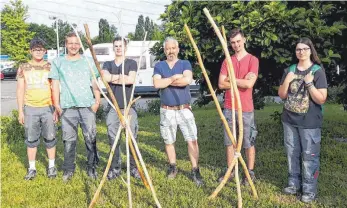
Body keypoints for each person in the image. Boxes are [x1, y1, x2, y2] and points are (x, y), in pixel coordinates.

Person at [278, 37, 327, 203]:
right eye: (298, 49)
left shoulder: (317, 71)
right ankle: (293, 184)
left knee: (309, 156)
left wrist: (309, 84)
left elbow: (321, 99)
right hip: (289, 119)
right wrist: (287, 80)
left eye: (305, 49)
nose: (301, 52)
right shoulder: (290, 70)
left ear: (310, 51)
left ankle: (309, 190)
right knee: (292, 153)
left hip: (310, 123)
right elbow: (282, 95)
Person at [49, 32, 101, 181]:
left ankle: (91, 167)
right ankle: (68, 169)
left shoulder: (89, 61)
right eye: (70, 43)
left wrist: (97, 101)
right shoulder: (58, 62)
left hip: (87, 107)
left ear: (80, 45)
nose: (73, 46)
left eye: (76, 43)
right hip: (67, 107)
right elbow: (55, 84)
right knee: (68, 139)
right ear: (66, 44)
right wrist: (57, 104)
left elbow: (95, 82)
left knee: (90, 137)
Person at [152, 37, 203, 186]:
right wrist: (174, 77)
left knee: (192, 139)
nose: (170, 51)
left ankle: (195, 170)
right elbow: (156, 83)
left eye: (173, 48)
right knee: (169, 140)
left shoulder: (184, 63)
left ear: (178, 49)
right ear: (164, 50)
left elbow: (187, 80)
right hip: (166, 110)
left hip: (184, 109)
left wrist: (166, 81)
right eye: (168, 49)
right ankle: (173, 167)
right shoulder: (159, 66)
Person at [218, 28, 259, 184]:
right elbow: (221, 84)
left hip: (246, 108)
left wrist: (231, 79)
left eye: (238, 41)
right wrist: (238, 80)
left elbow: (249, 83)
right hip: (229, 106)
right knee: (229, 141)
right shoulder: (227, 60)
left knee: (248, 141)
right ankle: (231, 170)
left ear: (244, 40)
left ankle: (250, 172)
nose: (236, 45)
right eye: (233, 43)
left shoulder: (252, 60)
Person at [16, 38, 58, 180]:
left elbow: (55, 88)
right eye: (36, 49)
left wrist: (56, 108)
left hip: (47, 108)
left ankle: (51, 166)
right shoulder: (23, 67)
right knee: (31, 139)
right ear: (31, 51)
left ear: (45, 51)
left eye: (41, 49)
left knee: (50, 137)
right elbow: (20, 90)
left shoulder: (51, 66)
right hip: (30, 109)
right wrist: (21, 111)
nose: (39, 52)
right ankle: (32, 168)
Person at [101, 37, 141, 180]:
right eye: (116, 46)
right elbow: (105, 78)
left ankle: (134, 168)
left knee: (131, 139)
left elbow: (130, 80)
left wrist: (113, 78)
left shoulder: (131, 63)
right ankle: (115, 168)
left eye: (121, 46)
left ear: (125, 48)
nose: (118, 48)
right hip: (113, 107)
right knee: (113, 139)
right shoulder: (107, 63)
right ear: (113, 48)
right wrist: (120, 77)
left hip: (128, 107)